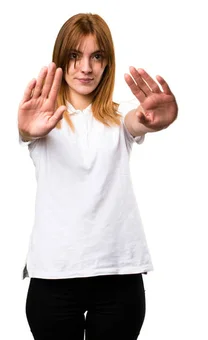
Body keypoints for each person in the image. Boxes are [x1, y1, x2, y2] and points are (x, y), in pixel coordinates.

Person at [18, 13, 178, 340]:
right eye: (75, 56)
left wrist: (154, 120)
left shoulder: (119, 117)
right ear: (61, 60)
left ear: (107, 64)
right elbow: (27, 131)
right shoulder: (43, 119)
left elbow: (139, 121)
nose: (86, 68)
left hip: (119, 274)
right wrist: (25, 129)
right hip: (54, 275)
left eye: (97, 57)